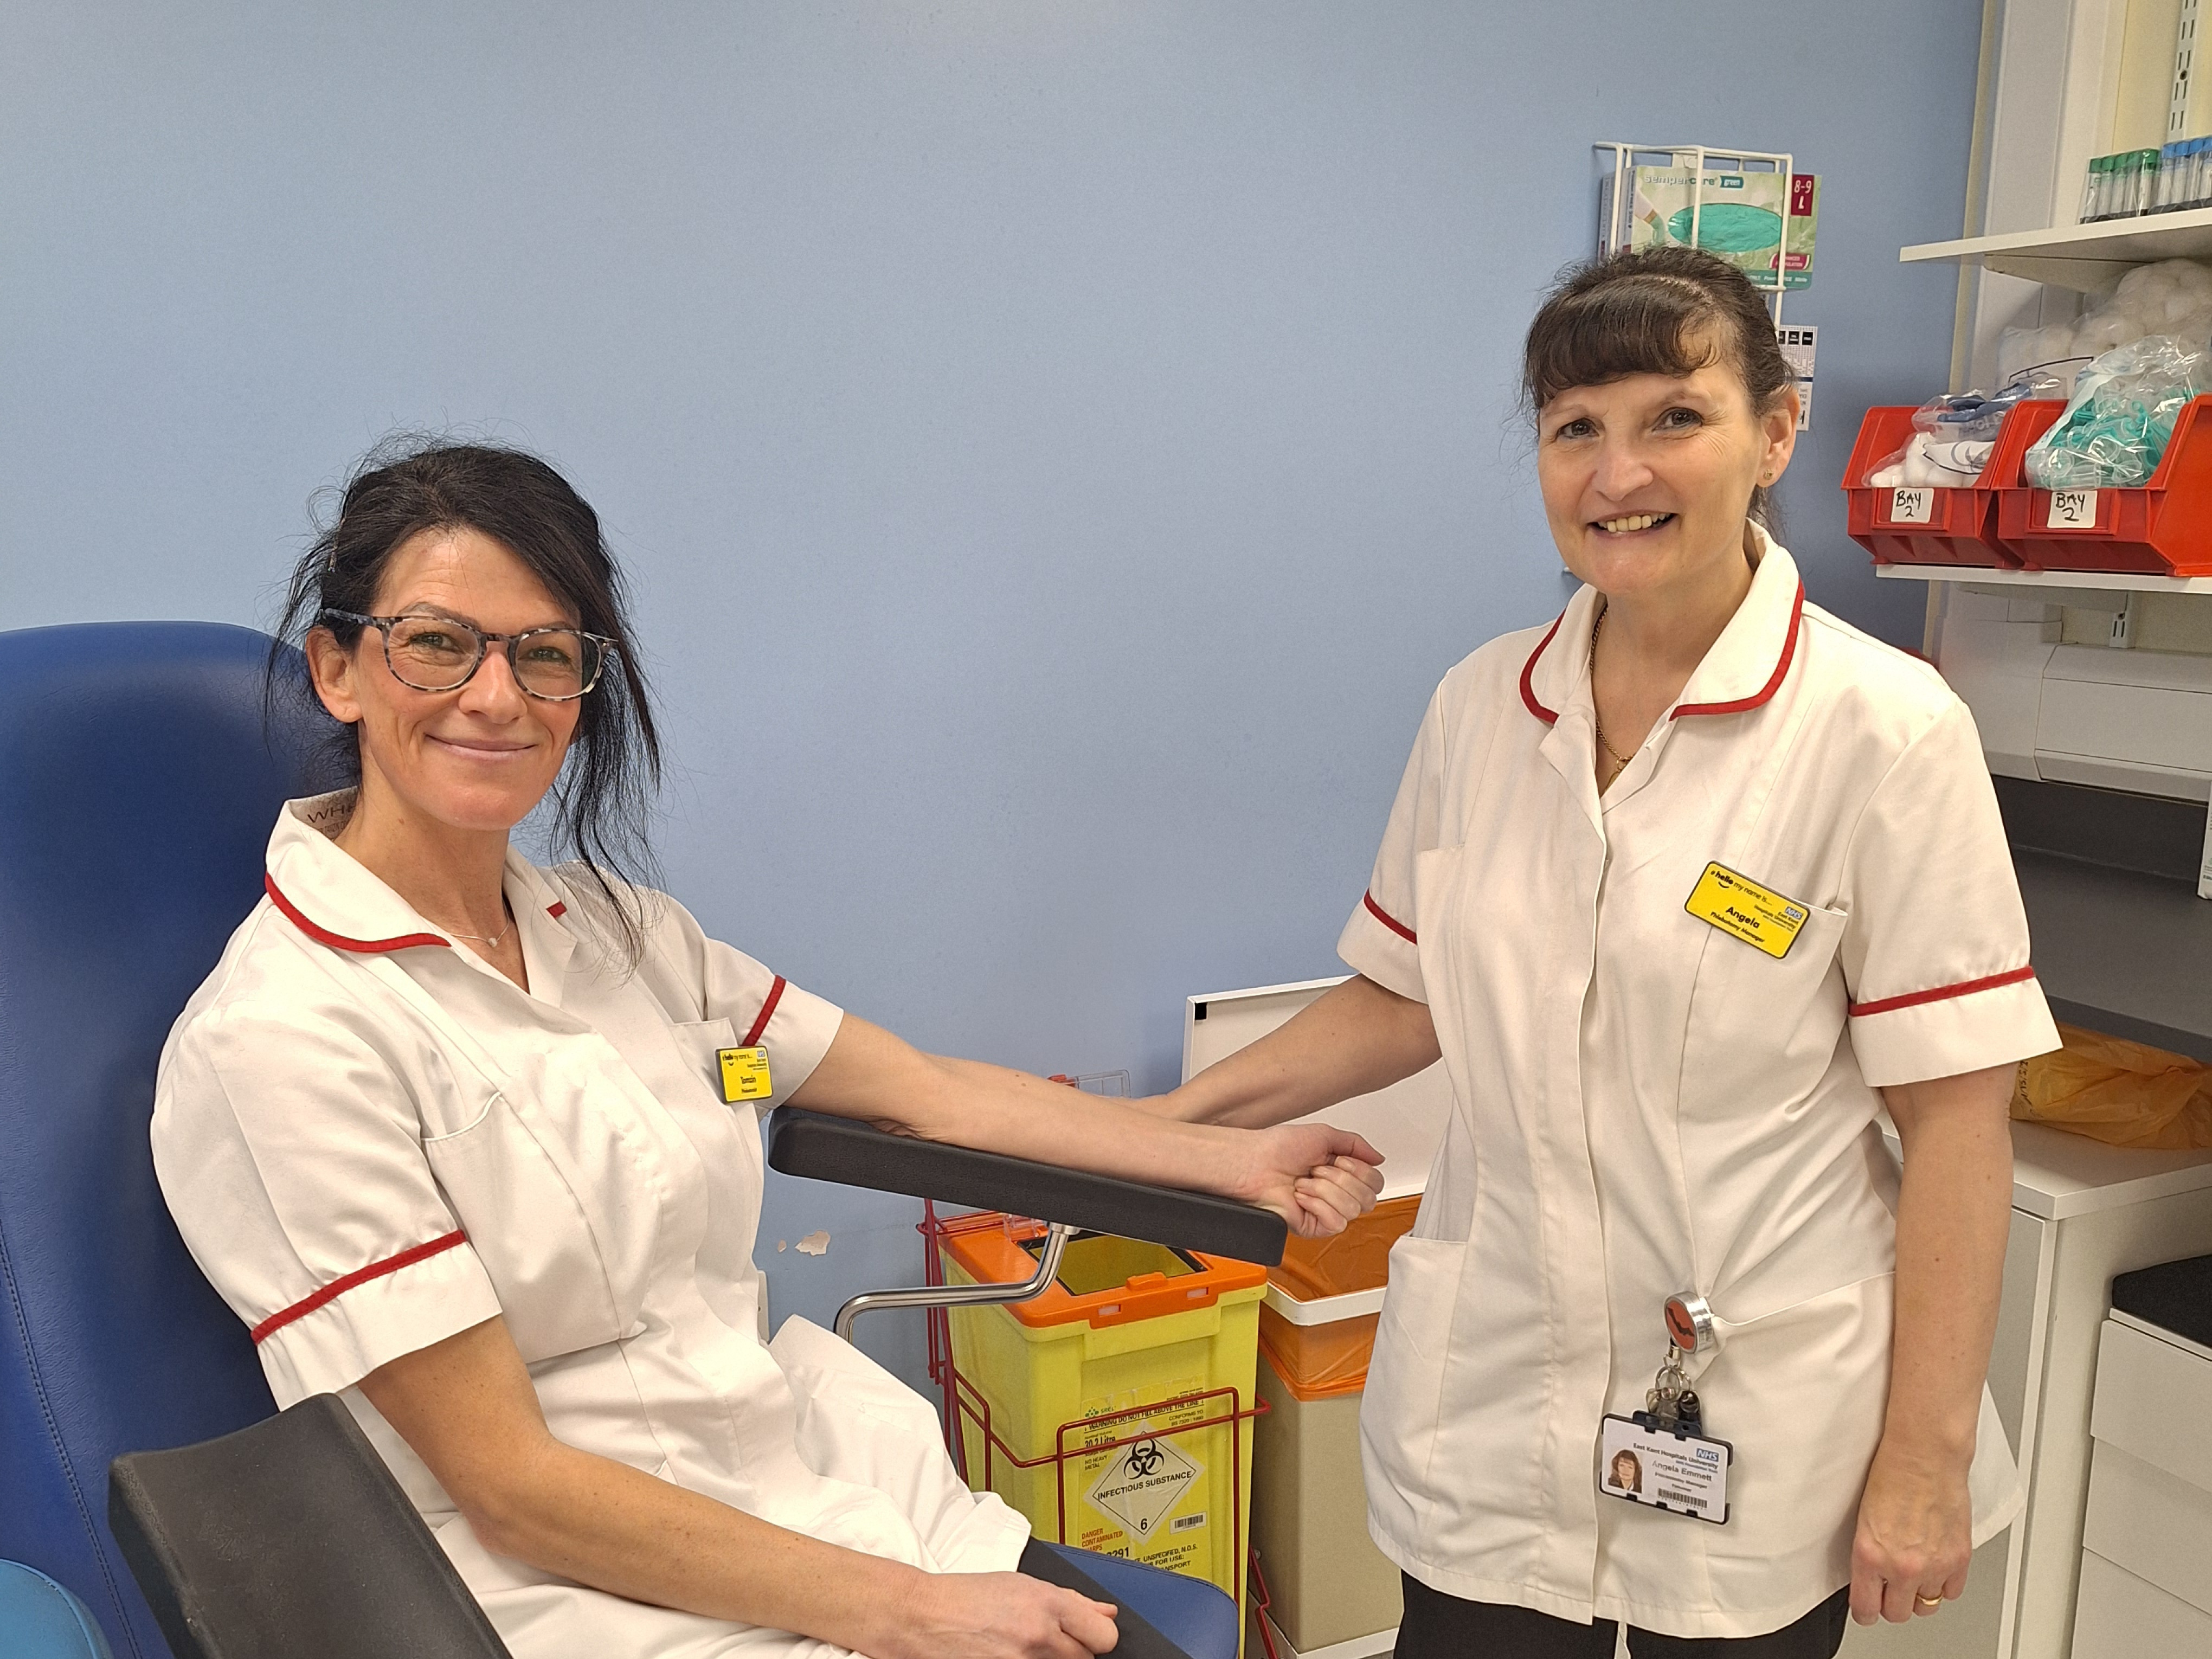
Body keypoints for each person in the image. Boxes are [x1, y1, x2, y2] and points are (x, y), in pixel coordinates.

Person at [151, 441, 1385, 1659]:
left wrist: (1232, 1160)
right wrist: (911, 1611)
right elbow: (512, 1488)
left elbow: (933, 1092)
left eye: (544, 655)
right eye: (435, 643)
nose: (495, 696)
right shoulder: (283, 1037)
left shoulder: (619, 931)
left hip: (798, 1476)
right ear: (339, 668)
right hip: (563, 1591)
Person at [1146, 248, 2057, 1656]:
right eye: (1577, 428)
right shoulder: (1480, 708)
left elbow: (1956, 1123)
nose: (1617, 471)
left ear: (1774, 430)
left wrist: (1926, 1458)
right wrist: (1157, 1127)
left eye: (1671, 417)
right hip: (1501, 1382)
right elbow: (1402, 998)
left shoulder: (1887, 731)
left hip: (1760, 1401)